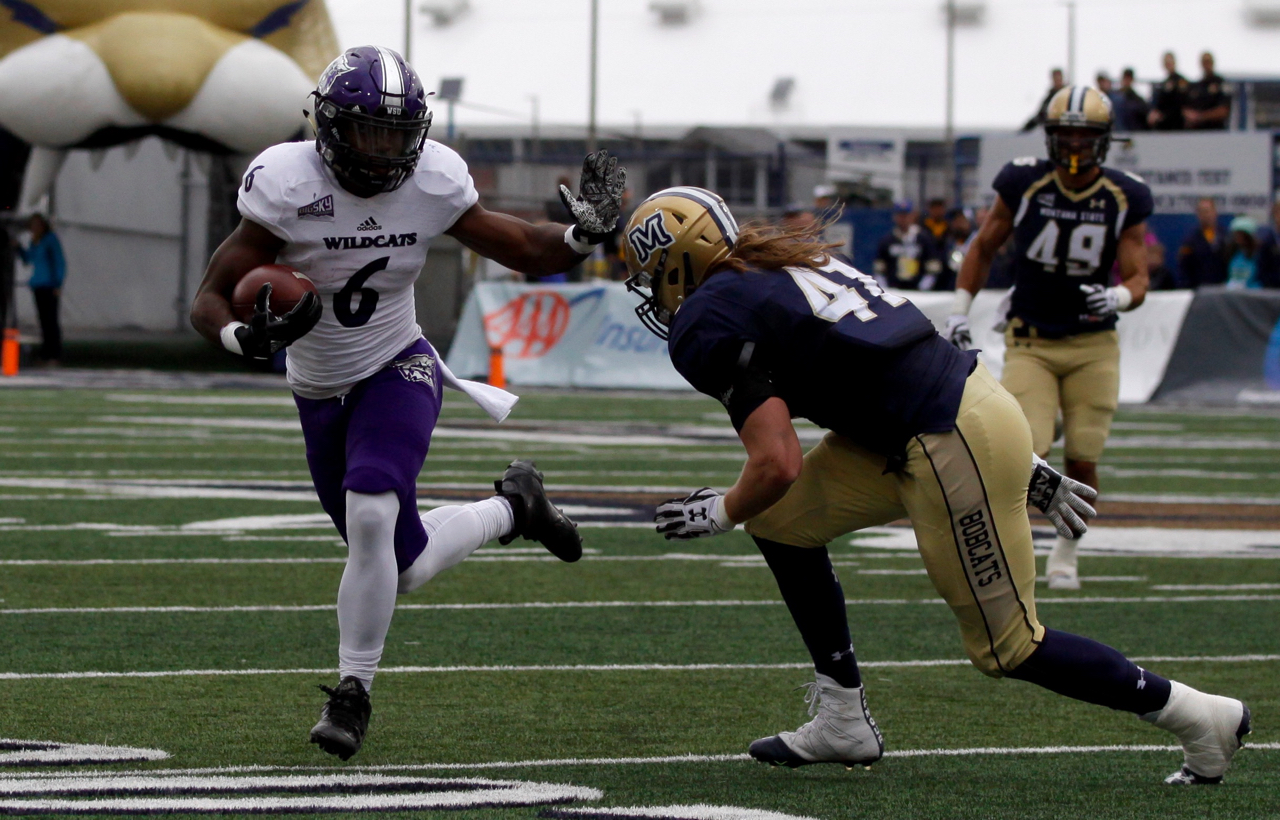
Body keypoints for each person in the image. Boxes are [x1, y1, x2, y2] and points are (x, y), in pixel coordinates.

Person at [620, 185, 1251, 785]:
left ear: (677, 259)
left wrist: (719, 512)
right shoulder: (782, 261)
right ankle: (842, 719)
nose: (654, 292)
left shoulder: (708, 313)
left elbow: (776, 463)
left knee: (1009, 647)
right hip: (943, 414)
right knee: (782, 522)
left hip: (942, 435)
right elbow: (886, 350)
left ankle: (1201, 717)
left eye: (650, 274)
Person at [190, 46, 624, 761]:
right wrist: (244, 337)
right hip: (319, 387)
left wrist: (581, 235)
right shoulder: (285, 184)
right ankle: (515, 508)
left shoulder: (433, 180)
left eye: (395, 135)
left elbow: (522, 245)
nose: (382, 151)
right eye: (368, 132)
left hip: (399, 364)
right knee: (405, 565)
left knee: (371, 512)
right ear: (331, 128)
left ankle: (352, 694)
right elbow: (209, 297)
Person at [945, 86, 1149, 592]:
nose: (1075, 144)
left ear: (1104, 139)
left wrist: (1118, 296)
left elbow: (1139, 277)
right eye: (1066, 134)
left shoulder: (1123, 194)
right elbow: (983, 246)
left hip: (1093, 344)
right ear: (1050, 136)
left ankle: (1066, 553)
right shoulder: (1023, 181)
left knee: (1082, 456)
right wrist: (959, 310)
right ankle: (1017, 546)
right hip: (1031, 340)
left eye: (1086, 134)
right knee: (1024, 453)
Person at [13, 213, 65, 364]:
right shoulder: (34, 242)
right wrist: (19, 248)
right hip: (38, 285)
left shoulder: (50, 240)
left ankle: (54, 354)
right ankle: (46, 353)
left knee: (51, 320)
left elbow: (59, 262)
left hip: (49, 285)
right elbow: (28, 259)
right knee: (43, 321)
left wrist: (58, 283)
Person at [873, 199, 943, 290]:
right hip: (894, 289)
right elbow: (879, 270)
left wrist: (923, 288)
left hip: (917, 289)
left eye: (906, 215)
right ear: (895, 217)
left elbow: (933, 268)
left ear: (913, 216)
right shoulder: (887, 240)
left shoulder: (923, 239)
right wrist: (885, 289)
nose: (903, 219)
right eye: (900, 215)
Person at [1178, 197, 1228, 287]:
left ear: (1215, 212)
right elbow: (1184, 266)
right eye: (1202, 212)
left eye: (1207, 211)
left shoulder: (1225, 236)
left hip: (1222, 287)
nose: (1206, 215)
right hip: (1200, 288)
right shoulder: (1190, 240)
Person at [1184, 51, 1230, 131]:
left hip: (1215, 131)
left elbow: (1223, 111)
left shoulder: (1221, 83)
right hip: (1197, 132)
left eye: (1208, 61)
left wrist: (1201, 117)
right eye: (1204, 62)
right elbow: (1186, 109)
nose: (1206, 64)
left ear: (1213, 62)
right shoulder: (1196, 87)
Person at [1149, 51, 1189, 130]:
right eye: (1166, 62)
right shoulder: (1163, 84)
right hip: (1164, 125)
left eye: (1170, 61)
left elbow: (1181, 102)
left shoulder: (1181, 81)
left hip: (1177, 123)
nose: (1168, 64)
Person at [1022, 67, 1066, 132]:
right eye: (1055, 78)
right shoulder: (1049, 97)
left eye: (1058, 78)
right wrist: (1026, 128)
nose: (1057, 80)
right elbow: (1040, 115)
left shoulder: (1066, 96)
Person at [1224, 216, 1261, 289]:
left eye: (1240, 235)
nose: (1237, 238)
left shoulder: (1257, 254)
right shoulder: (1232, 252)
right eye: (1236, 235)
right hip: (1233, 291)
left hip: (1253, 291)